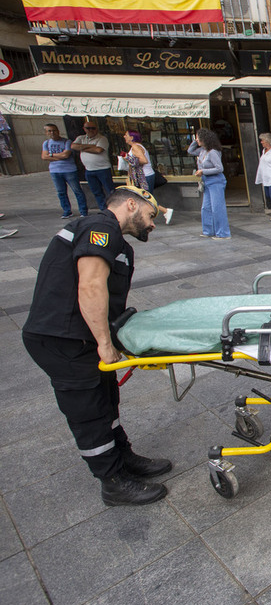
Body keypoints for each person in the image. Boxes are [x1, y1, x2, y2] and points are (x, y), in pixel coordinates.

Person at [22, 186, 172, 506]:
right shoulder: (100, 228)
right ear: (131, 204)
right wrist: (105, 343)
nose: (153, 224)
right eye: (151, 215)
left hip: (83, 337)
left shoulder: (117, 244)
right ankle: (113, 481)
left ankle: (123, 458)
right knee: (88, 410)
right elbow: (90, 286)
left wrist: (112, 340)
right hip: (63, 339)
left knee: (106, 399)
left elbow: (109, 300)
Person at [188, 128, 231, 239]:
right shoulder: (202, 150)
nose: (197, 140)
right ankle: (208, 231)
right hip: (207, 181)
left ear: (205, 139)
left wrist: (203, 171)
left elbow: (219, 168)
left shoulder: (213, 152)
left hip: (216, 181)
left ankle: (223, 233)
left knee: (217, 208)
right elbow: (190, 151)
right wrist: (195, 140)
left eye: (199, 138)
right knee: (206, 208)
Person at [124, 131, 173, 223]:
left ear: (132, 137)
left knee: (145, 198)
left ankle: (165, 211)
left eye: (126, 135)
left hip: (144, 176)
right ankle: (146, 217)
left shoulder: (135, 147)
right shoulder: (137, 146)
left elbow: (143, 160)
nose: (124, 136)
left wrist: (127, 158)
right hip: (145, 175)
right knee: (143, 198)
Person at [42, 123, 88, 219]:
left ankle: (83, 211)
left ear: (58, 131)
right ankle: (67, 211)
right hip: (54, 171)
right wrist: (58, 156)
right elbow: (43, 156)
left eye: (54, 130)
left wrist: (51, 155)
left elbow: (66, 155)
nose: (52, 132)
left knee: (77, 190)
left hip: (69, 169)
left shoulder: (67, 142)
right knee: (61, 192)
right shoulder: (46, 143)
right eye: (49, 131)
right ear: (46, 133)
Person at [72, 122, 115, 211]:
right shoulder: (81, 138)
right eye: (88, 128)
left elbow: (98, 150)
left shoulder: (102, 138)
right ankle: (103, 209)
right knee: (96, 192)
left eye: (93, 128)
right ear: (84, 129)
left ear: (97, 129)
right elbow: (73, 146)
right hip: (89, 170)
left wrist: (82, 148)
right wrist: (90, 146)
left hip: (103, 169)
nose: (90, 130)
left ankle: (114, 208)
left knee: (110, 191)